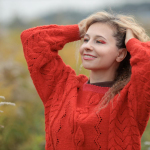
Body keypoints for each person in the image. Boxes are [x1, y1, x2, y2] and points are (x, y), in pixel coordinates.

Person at [20, 11, 150, 150]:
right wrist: (79, 29)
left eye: (99, 41)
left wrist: (131, 42)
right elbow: (32, 39)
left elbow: (146, 62)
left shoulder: (131, 98)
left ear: (121, 54)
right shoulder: (62, 87)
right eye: (86, 40)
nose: (86, 46)